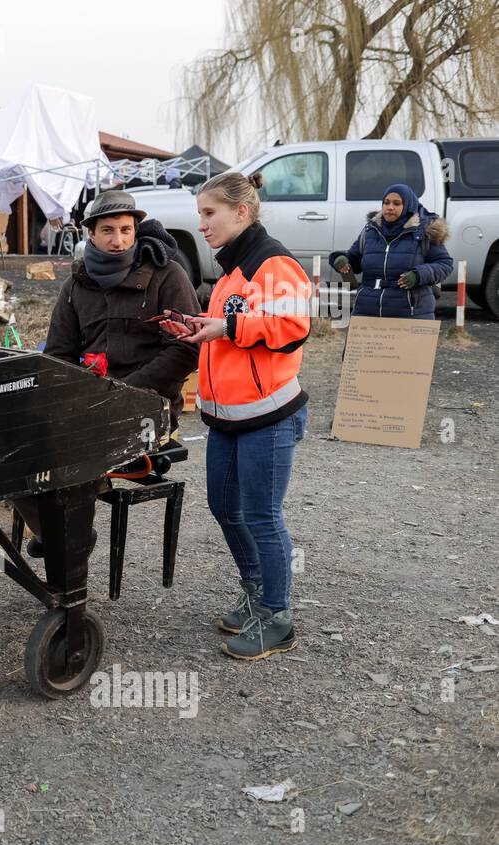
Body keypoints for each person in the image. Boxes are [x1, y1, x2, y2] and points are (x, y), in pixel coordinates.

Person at [159, 170, 310, 660]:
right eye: (199, 214)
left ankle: (277, 615)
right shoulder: (229, 273)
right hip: (226, 417)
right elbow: (232, 330)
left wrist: (225, 326)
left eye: (209, 213)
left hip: (268, 416)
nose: (201, 225)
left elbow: (291, 327)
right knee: (225, 508)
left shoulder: (275, 264)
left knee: (263, 516)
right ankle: (254, 593)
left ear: (240, 212)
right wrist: (202, 328)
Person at [19, 190, 200, 556]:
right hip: (88, 401)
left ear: (136, 231)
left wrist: (121, 393)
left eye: (125, 230)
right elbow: (58, 354)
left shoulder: (167, 275)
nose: (118, 241)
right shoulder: (75, 284)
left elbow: (186, 349)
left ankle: (70, 539)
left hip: (150, 407)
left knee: (71, 446)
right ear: (90, 234)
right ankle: (56, 532)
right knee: (14, 438)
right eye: (108, 231)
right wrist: (69, 398)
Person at [330, 183, 452, 318]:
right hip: (367, 311)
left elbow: (445, 264)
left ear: (408, 206)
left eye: (397, 203)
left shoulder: (425, 231)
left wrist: (418, 275)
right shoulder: (371, 230)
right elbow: (354, 260)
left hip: (411, 314)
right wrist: (340, 259)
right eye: (386, 203)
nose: (390, 207)